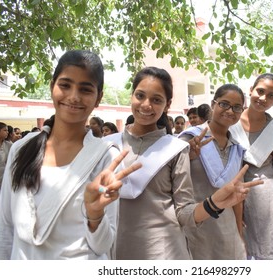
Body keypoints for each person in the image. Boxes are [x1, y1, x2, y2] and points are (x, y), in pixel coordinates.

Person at [0, 50, 140, 260]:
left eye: (85, 89)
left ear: (98, 98)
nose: (73, 97)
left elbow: (103, 245)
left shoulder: (105, 157)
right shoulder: (21, 149)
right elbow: (5, 227)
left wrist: (95, 215)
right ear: (52, 86)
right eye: (65, 85)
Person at [104, 66, 263, 260]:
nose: (146, 105)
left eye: (156, 100)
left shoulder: (175, 148)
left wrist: (213, 204)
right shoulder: (106, 146)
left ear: (167, 104)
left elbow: (183, 211)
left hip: (164, 251)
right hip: (113, 246)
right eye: (140, 95)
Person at [229, 73, 273, 260]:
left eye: (271, 96)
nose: (263, 98)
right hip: (228, 189)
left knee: (264, 252)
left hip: (264, 196)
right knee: (234, 248)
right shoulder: (230, 120)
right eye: (260, 91)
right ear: (250, 90)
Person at [178, 84, 247, 259]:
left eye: (237, 107)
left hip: (227, 231)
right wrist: (190, 154)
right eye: (224, 104)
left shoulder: (237, 148)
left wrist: (239, 234)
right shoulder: (189, 139)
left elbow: (236, 199)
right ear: (213, 104)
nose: (230, 111)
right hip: (195, 227)